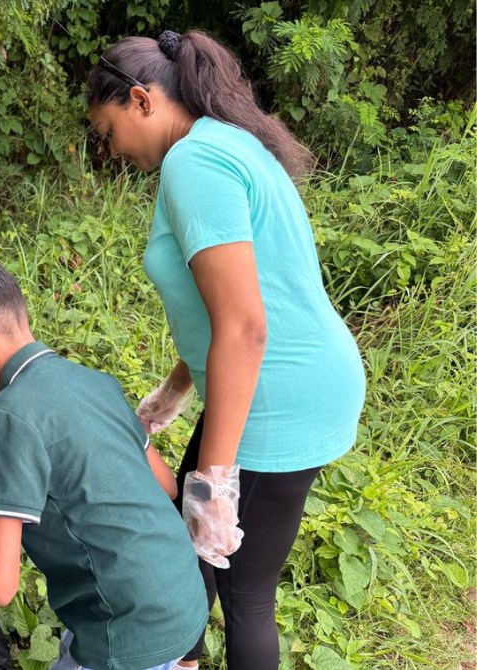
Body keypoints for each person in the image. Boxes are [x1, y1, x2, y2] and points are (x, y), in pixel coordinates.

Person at [85, 30, 367, 670]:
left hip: (276, 397)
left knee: (240, 590)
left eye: (107, 133)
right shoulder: (223, 144)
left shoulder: (195, 164)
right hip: (280, 385)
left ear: (140, 100)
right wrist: (178, 388)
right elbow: (229, 300)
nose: (111, 152)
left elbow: (244, 325)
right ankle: (177, 655)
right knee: (193, 565)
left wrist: (214, 484)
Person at [0, 256, 208, 670]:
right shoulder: (95, 382)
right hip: (184, 601)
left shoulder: (9, 415)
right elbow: (164, 486)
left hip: (128, 635)